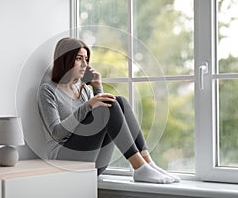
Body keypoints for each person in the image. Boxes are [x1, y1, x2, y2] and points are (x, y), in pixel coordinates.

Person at [38, 37, 180, 184]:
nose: (84, 64)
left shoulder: (83, 89)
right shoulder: (48, 90)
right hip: (64, 160)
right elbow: (56, 132)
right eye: (79, 58)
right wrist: (88, 105)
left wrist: (97, 86)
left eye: (86, 59)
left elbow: (99, 118)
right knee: (105, 107)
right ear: (65, 59)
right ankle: (140, 167)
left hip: (93, 163)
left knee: (119, 101)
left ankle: (148, 163)